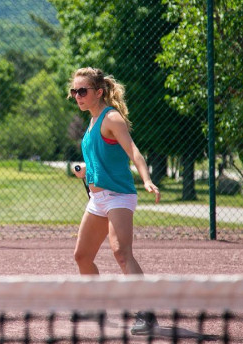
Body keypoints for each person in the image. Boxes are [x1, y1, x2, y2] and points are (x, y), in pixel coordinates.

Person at [69, 67, 161, 335]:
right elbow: (100, 159)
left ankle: (146, 312)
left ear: (99, 92)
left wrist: (146, 179)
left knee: (121, 252)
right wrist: (86, 171)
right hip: (97, 199)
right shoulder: (91, 121)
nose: (77, 95)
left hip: (119, 195)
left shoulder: (111, 118)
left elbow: (133, 151)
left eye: (82, 91)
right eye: (74, 91)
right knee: (82, 255)